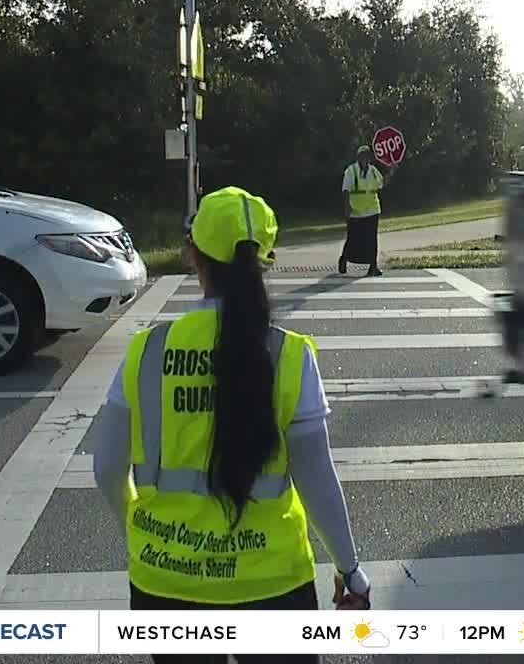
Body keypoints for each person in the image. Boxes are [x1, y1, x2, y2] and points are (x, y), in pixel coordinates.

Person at [92, 186, 371, 664]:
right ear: (265, 260)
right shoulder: (288, 353)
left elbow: (106, 469)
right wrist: (350, 569)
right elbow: (316, 476)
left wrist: (139, 537)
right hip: (273, 582)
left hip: (166, 581)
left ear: (191, 256)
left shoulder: (147, 352)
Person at [339, 145, 384, 277]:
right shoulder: (351, 171)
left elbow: (381, 184)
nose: (366, 158)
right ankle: (344, 259)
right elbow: (346, 190)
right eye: (363, 155)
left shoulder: (374, 171)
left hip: (372, 210)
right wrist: (347, 208)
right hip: (355, 211)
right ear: (358, 157)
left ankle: (373, 266)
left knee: (372, 239)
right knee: (353, 238)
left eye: (368, 156)